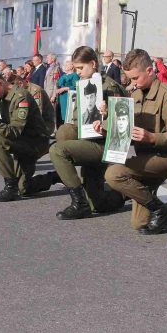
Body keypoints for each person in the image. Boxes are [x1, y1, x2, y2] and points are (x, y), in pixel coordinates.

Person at [103, 49, 167, 234]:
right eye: (130, 79)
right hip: (143, 157)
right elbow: (124, 124)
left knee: (114, 174)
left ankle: (160, 209)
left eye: (135, 78)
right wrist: (105, 124)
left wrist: (152, 137)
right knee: (139, 224)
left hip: (164, 156)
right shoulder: (136, 94)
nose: (132, 83)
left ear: (149, 71)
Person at [48, 46, 128, 220]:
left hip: (105, 144)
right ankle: (119, 195)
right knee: (97, 205)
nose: (77, 73)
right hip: (89, 141)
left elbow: (121, 125)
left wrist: (105, 119)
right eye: (75, 69)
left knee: (57, 150)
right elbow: (79, 120)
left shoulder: (109, 87)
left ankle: (80, 204)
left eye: (80, 68)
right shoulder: (84, 86)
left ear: (92, 64)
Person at [0, 69, 57, 200]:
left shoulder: (21, 97)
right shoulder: (2, 97)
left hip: (35, 143)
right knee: (24, 188)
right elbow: (5, 125)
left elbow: (14, 131)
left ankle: (10, 188)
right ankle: (54, 176)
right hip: (21, 142)